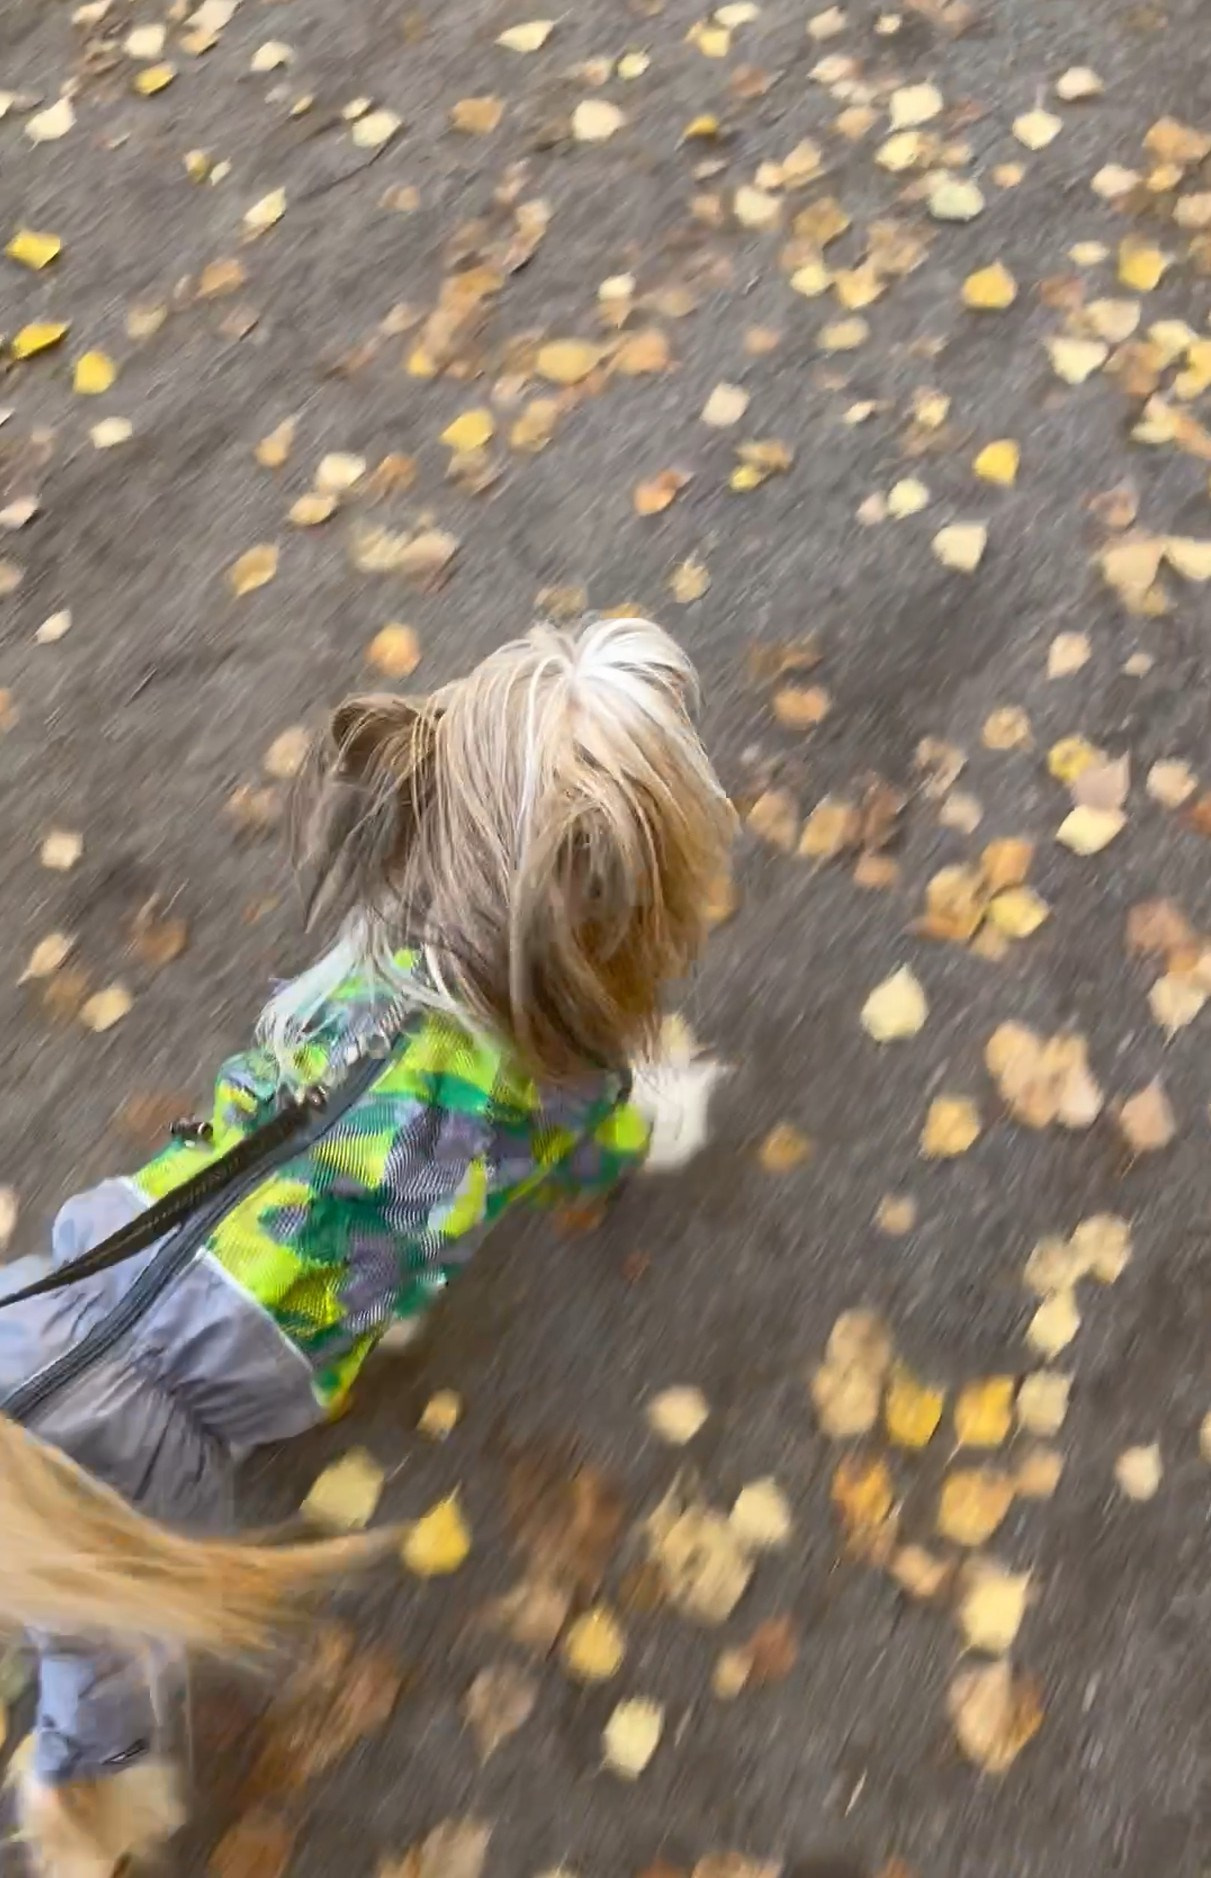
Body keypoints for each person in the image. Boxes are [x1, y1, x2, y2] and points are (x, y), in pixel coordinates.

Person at [0, 616, 735, 1876]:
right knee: (108, 1639)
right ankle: (83, 1815)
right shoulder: (548, 1081)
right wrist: (649, 1115)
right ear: (620, 895)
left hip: (60, 1299)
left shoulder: (351, 983)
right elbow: (608, 1134)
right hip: (159, 1419)